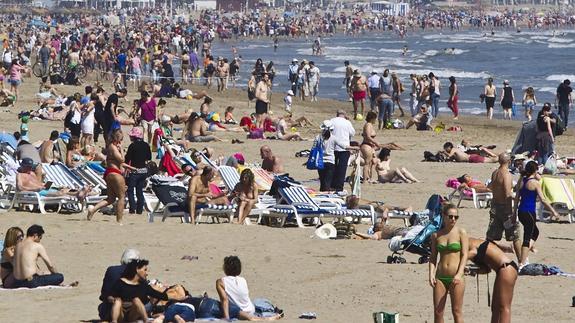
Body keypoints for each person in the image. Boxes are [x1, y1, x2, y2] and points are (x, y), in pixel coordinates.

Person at [513, 161, 558, 269]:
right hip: (529, 212)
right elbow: (543, 199)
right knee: (527, 237)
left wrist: (514, 213)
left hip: (521, 212)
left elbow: (516, 198)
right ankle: (522, 263)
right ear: (535, 170)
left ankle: (528, 250)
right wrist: (553, 211)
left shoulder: (522, 180)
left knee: (535, 232)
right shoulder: (535, 183)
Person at [429, 204, 468, 323]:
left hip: (456, 276)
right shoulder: (436, 235)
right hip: (440, 277)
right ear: (444, 216)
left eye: (456, 217)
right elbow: (433, 257)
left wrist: (459, 273)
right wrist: (431, 274)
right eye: (450, 216)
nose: (453, 219)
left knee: (457, 311)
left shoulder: (461, 232)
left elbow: (464, 254)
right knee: (438, 312)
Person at [88, 129, 135, 224]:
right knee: (121, 197)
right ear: (117, 138)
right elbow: (121, 160)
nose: (121, 141)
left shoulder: (110, 147)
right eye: (121, 139)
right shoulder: (113, 147)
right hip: (115, 173)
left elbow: (113, 162)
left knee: (111, 198)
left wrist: (130, 167)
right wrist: (121, 149)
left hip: (109, 173)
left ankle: (93, 210)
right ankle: (119, 220)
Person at [216, 256, 283, 321]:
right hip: (251, 309)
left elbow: (224, 301)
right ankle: (270, 312)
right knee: (258, 301)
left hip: (240, 313)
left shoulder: (220, 282)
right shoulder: (243, 280)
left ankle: (268, 318)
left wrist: (226, 318)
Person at [467, 238, 517, 323]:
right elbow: (486, 269)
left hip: (506, 268)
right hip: (503, 269)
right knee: (495, 307)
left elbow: (463, 258)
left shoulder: (470, 247)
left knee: (504, 307)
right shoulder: (474, 242)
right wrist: (469, 269)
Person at [110, 259, 177, 323]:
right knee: (118, 300)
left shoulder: (143, 286)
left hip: (132, 314)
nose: (146, 273)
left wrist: (178, 298)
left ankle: (146, 320)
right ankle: (114, 321)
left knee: (136, 299)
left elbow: (160, 295)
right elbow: (108, 296)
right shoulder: (121, 282)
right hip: (120, 313)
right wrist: (113, 299)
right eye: (145, 270)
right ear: (137, 269)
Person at [487, 153, 522, 263]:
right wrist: (511, 210)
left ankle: (488, 258)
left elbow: (492, 187)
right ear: (509, 162)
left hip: (495, 206)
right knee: (515, 235)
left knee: (491, 236)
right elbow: (507, 194)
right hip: (504, 208)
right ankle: (521, 261)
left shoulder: (495, 173)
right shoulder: (506, 174)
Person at [16, 157, 90, 200]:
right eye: (28, 167)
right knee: (60, 193)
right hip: (36, 193)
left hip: (43, 189)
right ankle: (79, 194)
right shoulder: (20, 175)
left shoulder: (32, 173)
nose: (30, 168)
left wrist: (54, 186)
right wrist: (34, 189)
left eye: (30, 167)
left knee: (63, 189)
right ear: (23, 166)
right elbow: (19, 187)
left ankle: (81, 192)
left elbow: (39, 184)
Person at [98, 249, 141, 321]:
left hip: (113, 311)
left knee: (101, 307)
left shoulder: (111, 270)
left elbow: (104, 294)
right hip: (133, 312)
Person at [317, 120, 358, 191]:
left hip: (320, 162)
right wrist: (355, 147)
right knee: (328, 182)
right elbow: (344, 146)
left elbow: (314, 149)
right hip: (330, 162)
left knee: (322, 182)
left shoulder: (318, 137)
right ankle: (326, 196)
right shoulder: (333, 138)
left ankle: (322, 194)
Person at [125, 127, 152, 215]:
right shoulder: (146, 145)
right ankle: (139, 209)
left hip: (134, 170)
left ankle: (132, 209)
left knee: (130, 190)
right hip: (143, 171)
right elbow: (149, 158)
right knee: (139, 190)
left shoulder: (132, 146)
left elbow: (127, 158)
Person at [330, 110, 355, 191]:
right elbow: (352, 133)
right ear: (345, 115)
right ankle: (339, 186)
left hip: (333, 147)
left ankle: (332, 184)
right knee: (342, 167)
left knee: (333, 166)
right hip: (344, 147)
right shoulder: (347, 122)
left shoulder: (332, 121)